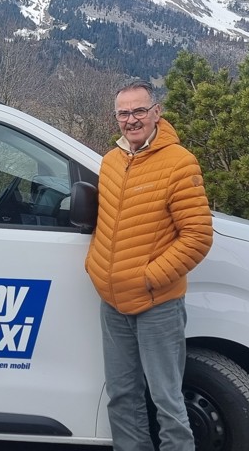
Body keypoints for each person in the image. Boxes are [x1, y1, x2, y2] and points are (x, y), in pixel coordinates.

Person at [85, 80, 213, 451]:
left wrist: (149, 278)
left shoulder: (179, 162)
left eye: (139, 110)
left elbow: (198, 236)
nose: (132, 120)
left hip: (157, 304)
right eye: (124, 113)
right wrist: (95, 266)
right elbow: (104, 223)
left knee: (168, 402)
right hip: (112, 303)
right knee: (122, 398)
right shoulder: (110, 162)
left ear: (157, 112)